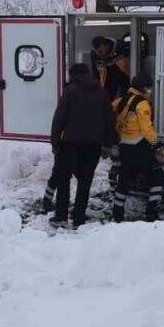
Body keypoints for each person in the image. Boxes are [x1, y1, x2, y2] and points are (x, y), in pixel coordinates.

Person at [48, 63, 114, 228]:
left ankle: (62, 216)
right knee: (85, 183)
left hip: (70, 144)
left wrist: (55, 142)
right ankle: (78, 218)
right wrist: (108, 144)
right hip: (93, 147)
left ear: (73, 75)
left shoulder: (70, 91)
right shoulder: (102, 92)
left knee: (63, 180)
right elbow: (109, 120)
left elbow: (59, 118)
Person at [111, 72, 164, 223]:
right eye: (149, 88)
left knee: (124, 180)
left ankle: (117, 215)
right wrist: (158, 146)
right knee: (157, 176)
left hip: (124, 146)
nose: (151, 91)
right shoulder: (142, 104)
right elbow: (146, 129)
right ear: (143, 88)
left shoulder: (122, 100)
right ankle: (151, 213)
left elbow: (111, 112)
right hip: (139, 147)